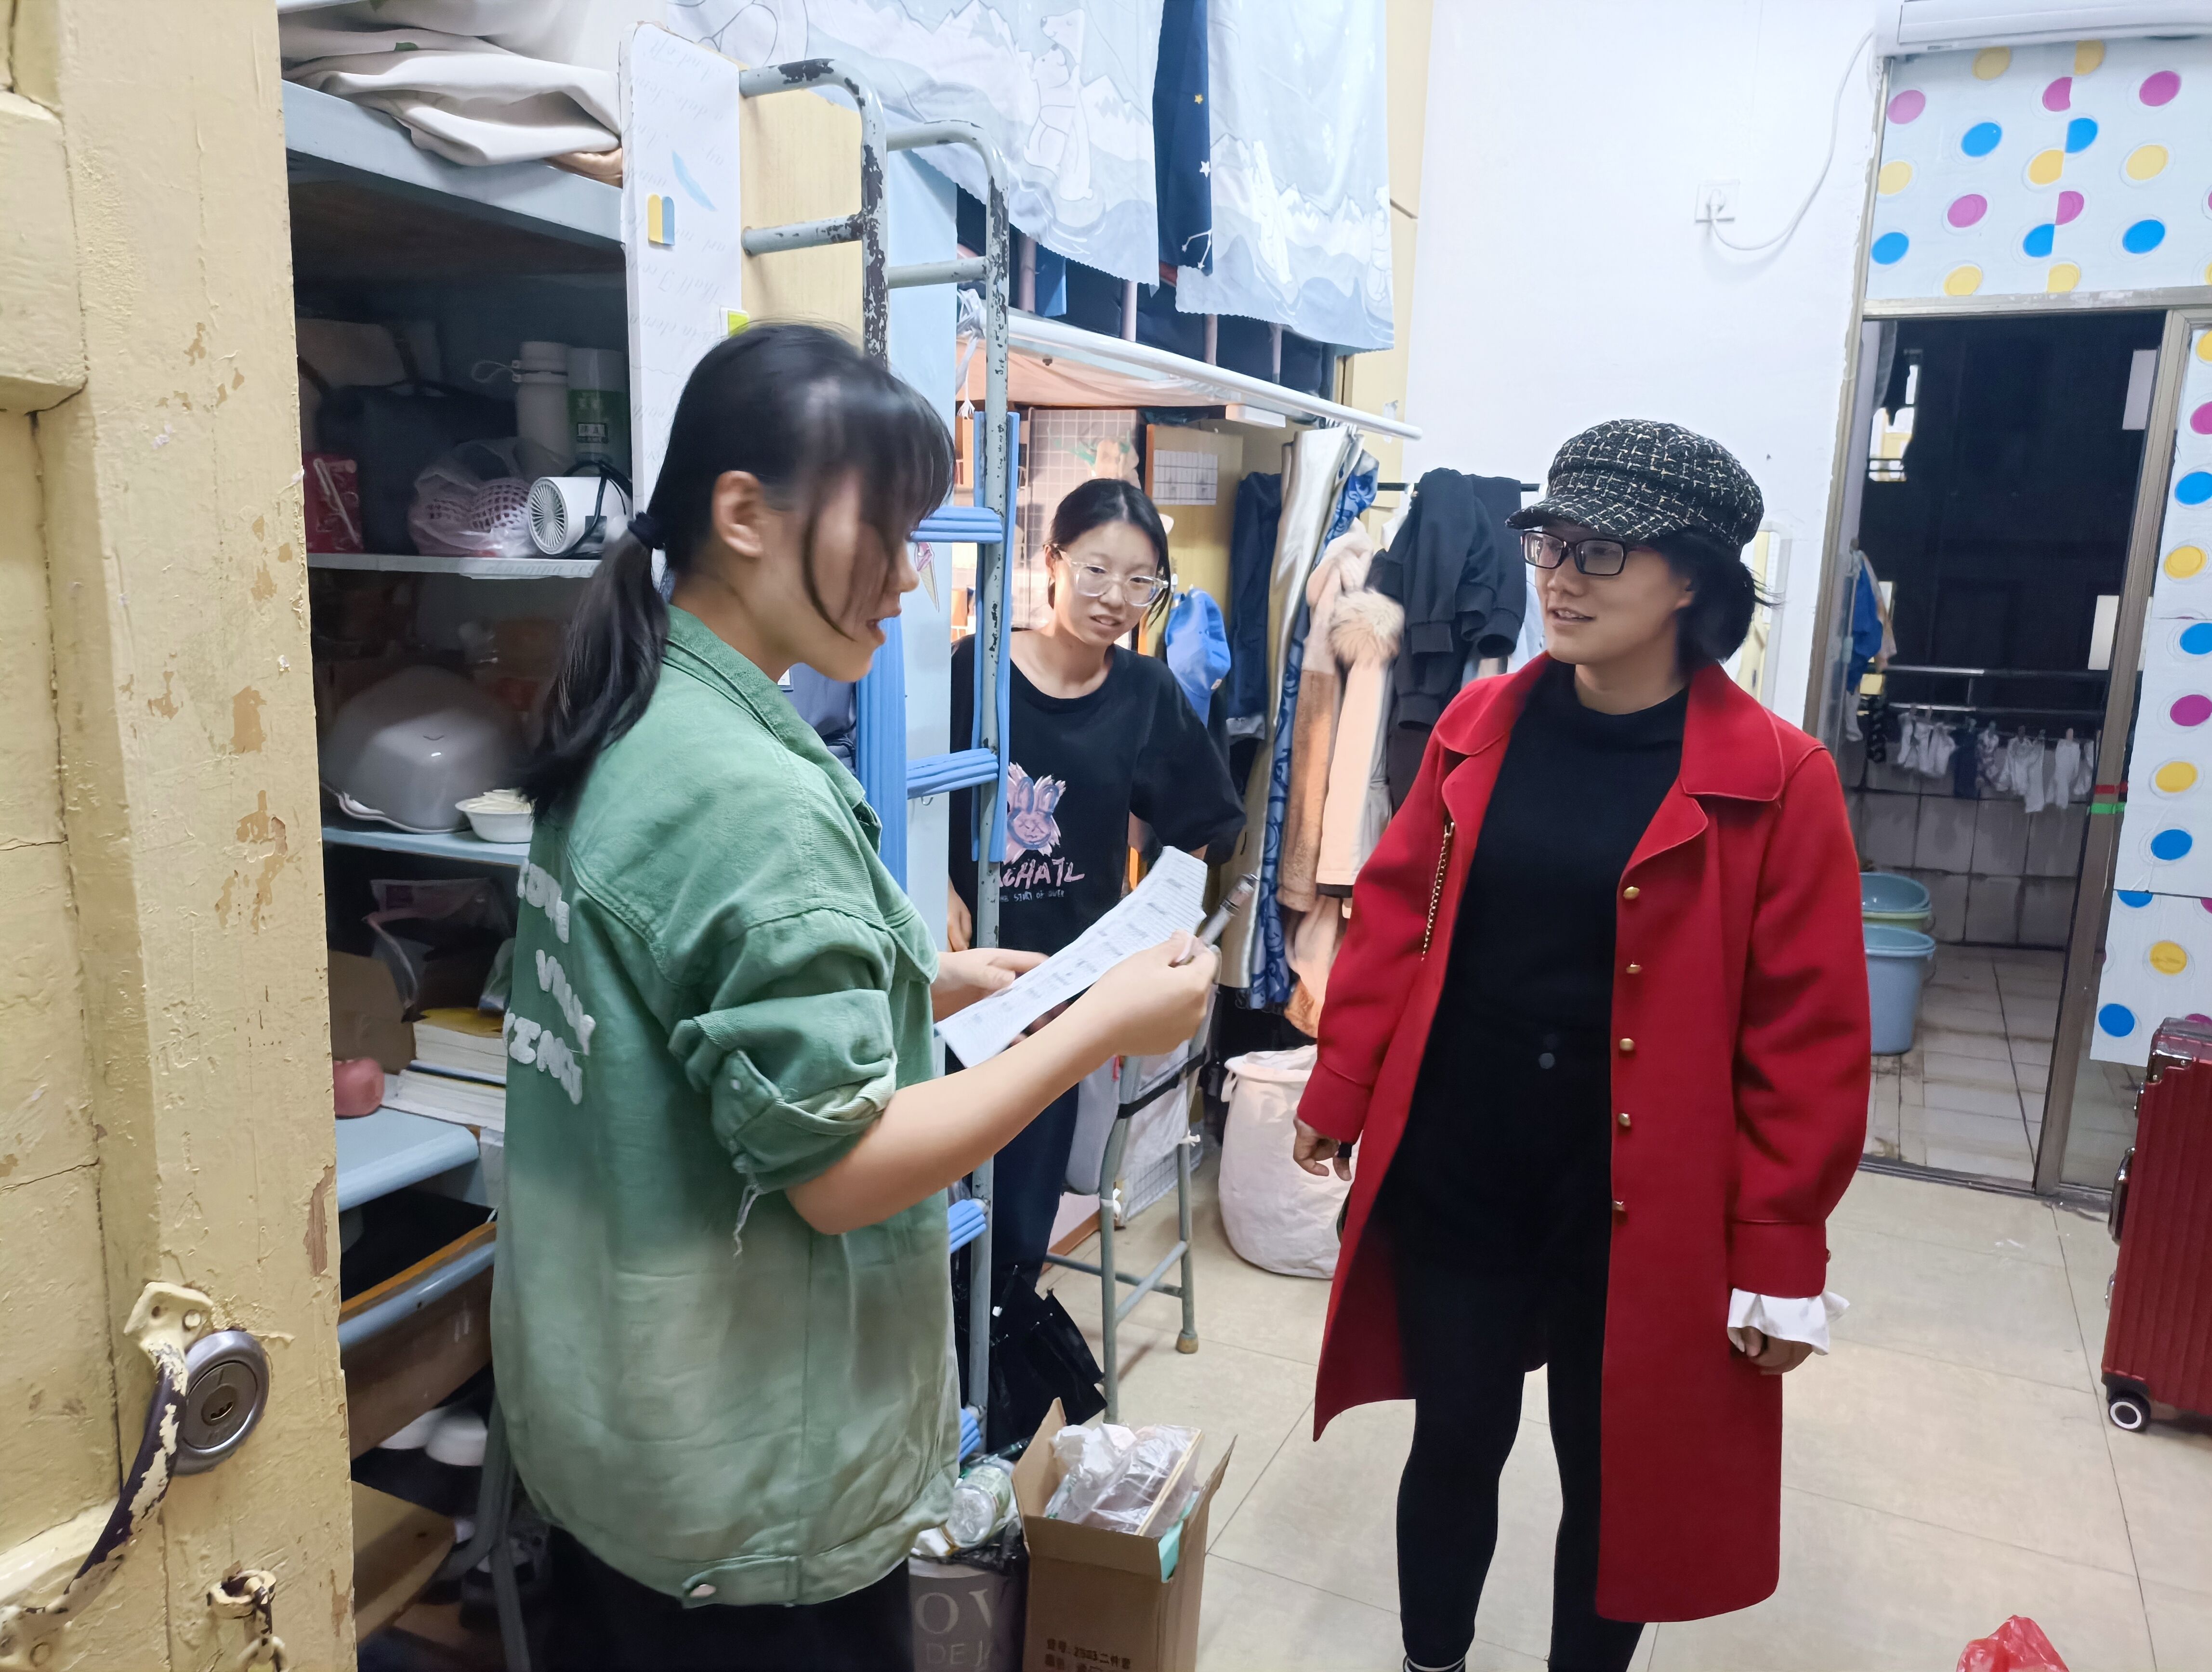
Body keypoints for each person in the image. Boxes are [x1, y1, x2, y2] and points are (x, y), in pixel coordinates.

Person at [495, 325, 1217, 1672]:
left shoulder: (637, 712)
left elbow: (669, 996)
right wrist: (1096, 1029)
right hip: (752, 1489)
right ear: (743, 514)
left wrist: (912, 978)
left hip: (621, 1436)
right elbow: (839, 1173)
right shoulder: (751, 794)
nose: (907, 572)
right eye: (883, 530)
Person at [1291, 421, 1870, 1672]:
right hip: (1464, 1163)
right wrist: (1341, 1085)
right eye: (1550, 542)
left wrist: (1781, 1244)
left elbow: (1807, 1036)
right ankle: (1432, 1660)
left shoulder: (1779, 778)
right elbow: (1394, 920)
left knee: (1613, 1476)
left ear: (1691, 578)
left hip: (1641, 1201)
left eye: (1599, 552)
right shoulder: (1478, 724)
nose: (1557, 578)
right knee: (1455, 1438)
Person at [946, 477, 1244, 1299]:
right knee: (940, 1197)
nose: (1116, 598)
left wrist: (1158, 922)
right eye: (1097, 571)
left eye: (1141, 581)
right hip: (960, 985)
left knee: (1020, 1219)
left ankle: (1002, 1350)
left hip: (1063, 997)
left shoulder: (1146, 692)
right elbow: (908, 802)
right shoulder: (974, 670)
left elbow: (1207, 820)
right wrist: (936, 885)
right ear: (1054, 563)